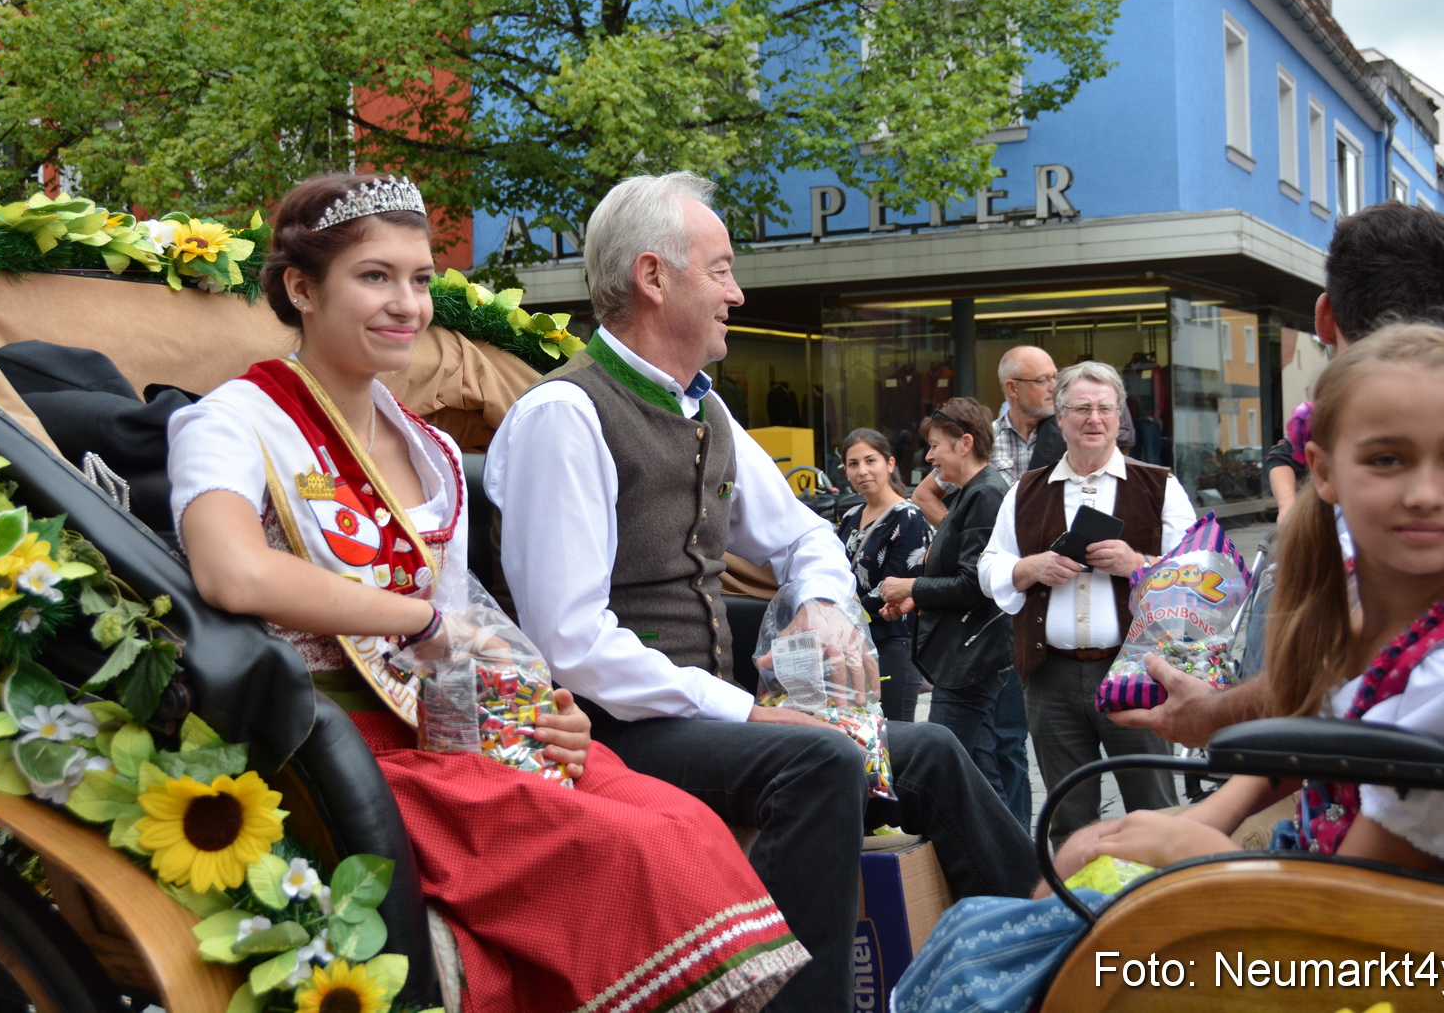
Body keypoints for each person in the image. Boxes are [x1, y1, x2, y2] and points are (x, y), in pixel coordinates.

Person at [168, 172, 807, 1012]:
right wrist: (420, 617)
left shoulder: (427, 448)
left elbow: (474, 624)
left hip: (456, 731)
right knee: (632, 849)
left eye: (422, 280)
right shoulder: (234, 421)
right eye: (374, 277)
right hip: (335, 747)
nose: (407, 304)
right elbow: (233, 571)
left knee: (680, 825)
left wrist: (546, 702)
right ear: (301, 288)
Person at [484, 171, 1039, 1013]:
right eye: (721, 269)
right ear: (653, 277)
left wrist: (820, 603)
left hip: (696, 717)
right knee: (820, 758)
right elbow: (570, 642)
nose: (737, 293)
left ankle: (1046, 943)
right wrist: (745, 709)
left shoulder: (705, 411)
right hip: (607, 732)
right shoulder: (563, 414)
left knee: (927, 751)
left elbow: (807, 534)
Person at [895, 326, 1444, 1013]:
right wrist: (1208, 809)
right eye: (1387, 459)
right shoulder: (1382, 595)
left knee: (1011, 949)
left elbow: (1361, 905)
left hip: (1388, 951)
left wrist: (1186, 845)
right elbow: (1321, 719)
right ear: (1324, 470)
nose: (1425, 492)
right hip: (1302, 866)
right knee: (1020, 908)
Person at [1115, 201, 1444, 749]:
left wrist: (1220, 719)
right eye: (1383, 459)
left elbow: (1375, 670)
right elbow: (1346, 656)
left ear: (1324, 317)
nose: (1425, 494)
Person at [977, 361, 1197, 842]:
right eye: (1081, 409)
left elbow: (1200, 579)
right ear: (1061, 418)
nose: (1094, 419)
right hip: (1049, 676)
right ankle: (1078, 909)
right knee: (1068, 817)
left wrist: (1136, 563)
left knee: (1155, 810)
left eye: (1105, 409)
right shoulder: (1025, 490)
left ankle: (1161, 908)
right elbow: (989, 565)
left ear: (1120, 417)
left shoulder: (1160, 486)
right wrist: (1030, 568)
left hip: (1138, 672)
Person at [878, 399, 1031, 827]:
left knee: (951, 768)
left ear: (964, 444)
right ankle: (1013, 870)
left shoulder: (985, 494)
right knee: (980, 770)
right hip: (969, 655)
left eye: (935, 446)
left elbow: (976, 584)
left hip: (971, 658)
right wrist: (918, 597)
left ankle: (1003, 869)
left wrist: (912, 586)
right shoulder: (974, 493)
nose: (928, 456)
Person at [836, 428, 930, 724]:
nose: (862, 471)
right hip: (849, 646)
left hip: (892, 644)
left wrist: (839, 611)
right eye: (853, 464)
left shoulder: (908, 517)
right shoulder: (850, 517)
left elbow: (892, 590)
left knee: (895, 740)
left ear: (890, 464)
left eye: (870, 461)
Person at [911, 345, 1062, 529]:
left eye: (1055, 377)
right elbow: (923, 495)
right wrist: (957, 534)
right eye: (1042, 380)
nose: (1053, 387)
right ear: (1012, 388)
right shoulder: (984, 439)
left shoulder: (1069, 434)